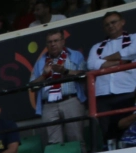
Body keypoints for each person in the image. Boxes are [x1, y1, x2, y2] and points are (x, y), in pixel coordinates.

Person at [86, 11, 136, 143]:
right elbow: (91, 64)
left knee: (128, 131)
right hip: (103, 96)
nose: (110, 26)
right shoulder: (97, 47)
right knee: (108, 134)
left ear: (122, 22)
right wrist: (120, 62)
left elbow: (131, 52)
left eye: (113, 22)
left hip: (127, 92)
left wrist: (103, 60)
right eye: (107, 24)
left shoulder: (134, 38)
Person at [32, 30, 87, 145]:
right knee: (53, 144)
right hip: (49, 105)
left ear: (63, 41)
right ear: (46, 45)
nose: (53, 44)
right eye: (50, 42)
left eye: (56, 40)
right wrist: (44, 75)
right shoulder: (40, 62)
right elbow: (32, 87)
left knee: (76, 139)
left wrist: (65, 71)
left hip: (70, 101)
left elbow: (84, 77)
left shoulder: (75, 55)